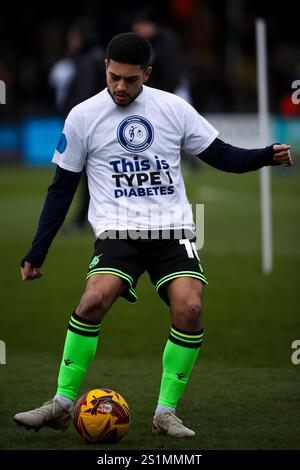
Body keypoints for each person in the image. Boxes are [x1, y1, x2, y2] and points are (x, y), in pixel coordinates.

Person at [14, 33, 292, 438]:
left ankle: (165, 413)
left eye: (130, 79)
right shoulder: (82, 116)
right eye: (113, 77)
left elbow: (222, 156)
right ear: (105, 69)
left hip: (173, 230)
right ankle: (60, 403)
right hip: (118, 231)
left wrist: (266, 155)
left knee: (191, 310)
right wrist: (37, 250)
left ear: (147, 73)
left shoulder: (172, 108)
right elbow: (61, 188)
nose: (120, 87)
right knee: (93, 298)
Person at [49, 17, 106, 232]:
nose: (70, 42)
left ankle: (83, 220)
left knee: (80, 174)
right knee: (91, 174)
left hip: (90, 126)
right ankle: (85, 219)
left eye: (73, 38)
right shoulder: (95, 57)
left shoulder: (88, 60)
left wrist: (75, 119)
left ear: (81, 39)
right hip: (97, 124)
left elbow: (84, 94)